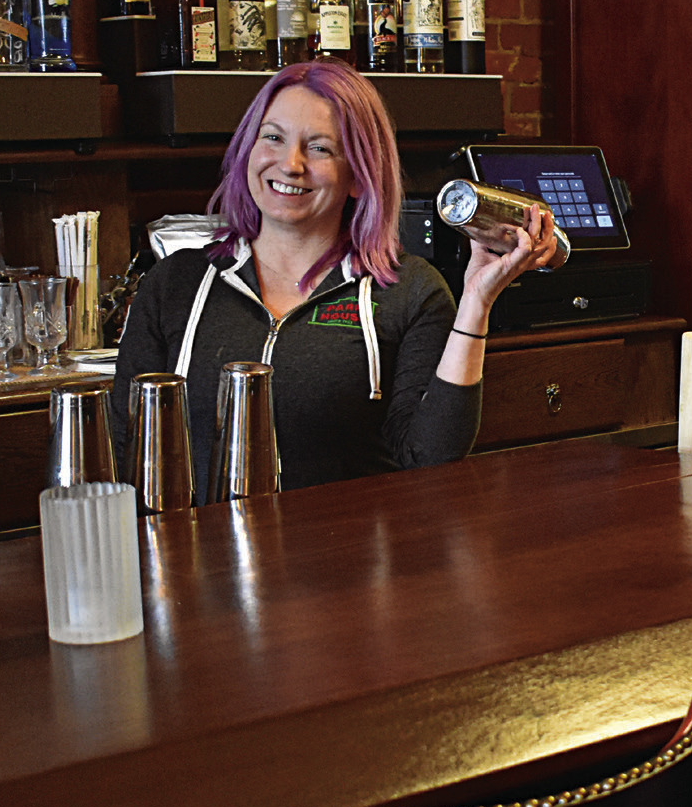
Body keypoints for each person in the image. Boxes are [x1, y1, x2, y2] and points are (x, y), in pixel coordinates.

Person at [111, 59, 555, 497]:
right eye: (273, 137)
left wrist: (476, 303)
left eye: (320, 148)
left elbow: (429, 457)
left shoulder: (408, 292)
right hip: (204, 544)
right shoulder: (176, 284)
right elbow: (124, 447)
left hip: (350, 543)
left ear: (359, 176)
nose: (291, 164)